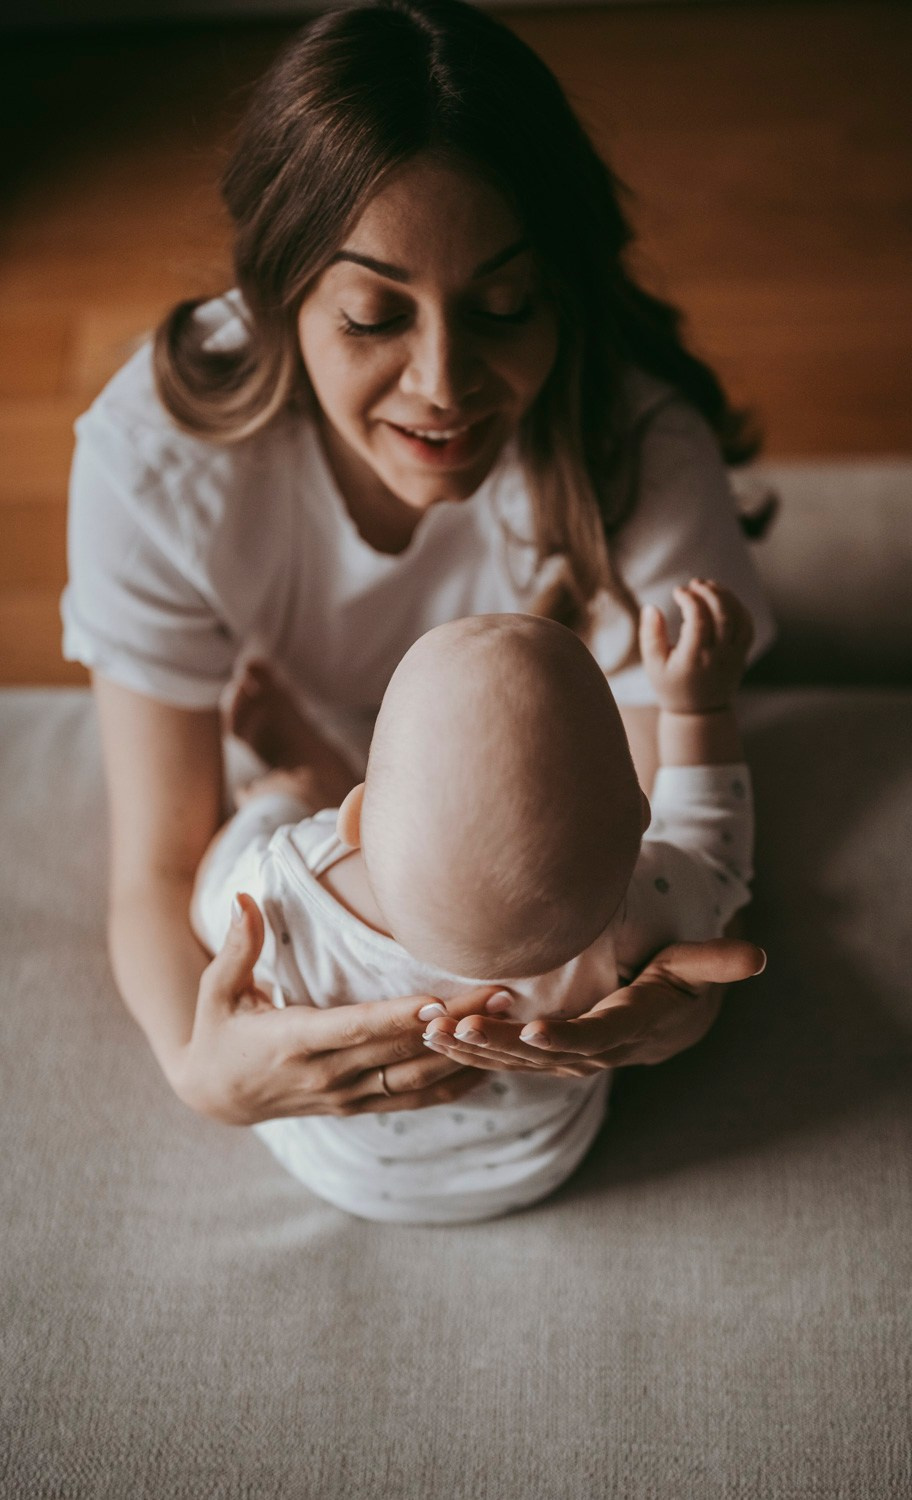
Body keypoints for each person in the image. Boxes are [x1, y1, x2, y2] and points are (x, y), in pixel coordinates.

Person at [60, 0, 776, 1129]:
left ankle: (303, 761)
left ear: (562, 288)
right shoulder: (158, 464)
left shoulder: (637, 459)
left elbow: (640, 845)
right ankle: (305, 763)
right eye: (369, 316)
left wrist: (673, 1004)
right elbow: (158, 865)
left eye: (503, 307)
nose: (443, 383)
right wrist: (198, 1067)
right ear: (280, 291)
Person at [189, 581, 765, 1223]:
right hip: (541, 1163)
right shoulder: (640, 908)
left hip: (337, 1166)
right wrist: (696, 713)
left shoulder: (281, 886)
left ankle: (306, 777)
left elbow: (210, 904)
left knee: (282, 803)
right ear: (638, 819)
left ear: (351, 817)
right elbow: (715, 848)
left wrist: (273, 809)